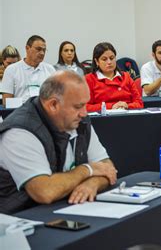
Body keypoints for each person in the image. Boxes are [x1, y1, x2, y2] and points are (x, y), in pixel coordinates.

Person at [0, 71, 117, 214]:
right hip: (17, 221)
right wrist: (87, 170)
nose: (84, 113)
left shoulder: (79, 121)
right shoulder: (19, 132)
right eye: (78, 106)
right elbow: (45, 191)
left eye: (85, 105)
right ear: (53, 105)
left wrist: (92, 183)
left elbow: (107, 168)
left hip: (60, 211)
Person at [85, 42, 143, 111]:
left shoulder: (126, 76)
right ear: (97, 61)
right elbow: (86, 107)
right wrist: (111, 106)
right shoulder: (89, 79)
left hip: (127, 116)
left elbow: (139, 103)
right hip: (102, 119)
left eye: (112, 58)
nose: (109, 62)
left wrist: (127, 106)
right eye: (104, 59)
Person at [1, 35, 55, 105]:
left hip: (43, 112)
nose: (42, 53)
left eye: (44, 50)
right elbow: (6, 102)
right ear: (27, 48)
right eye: (38, 49)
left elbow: (55, 96)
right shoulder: (11, 70)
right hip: (20, 112)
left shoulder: (50, 70)